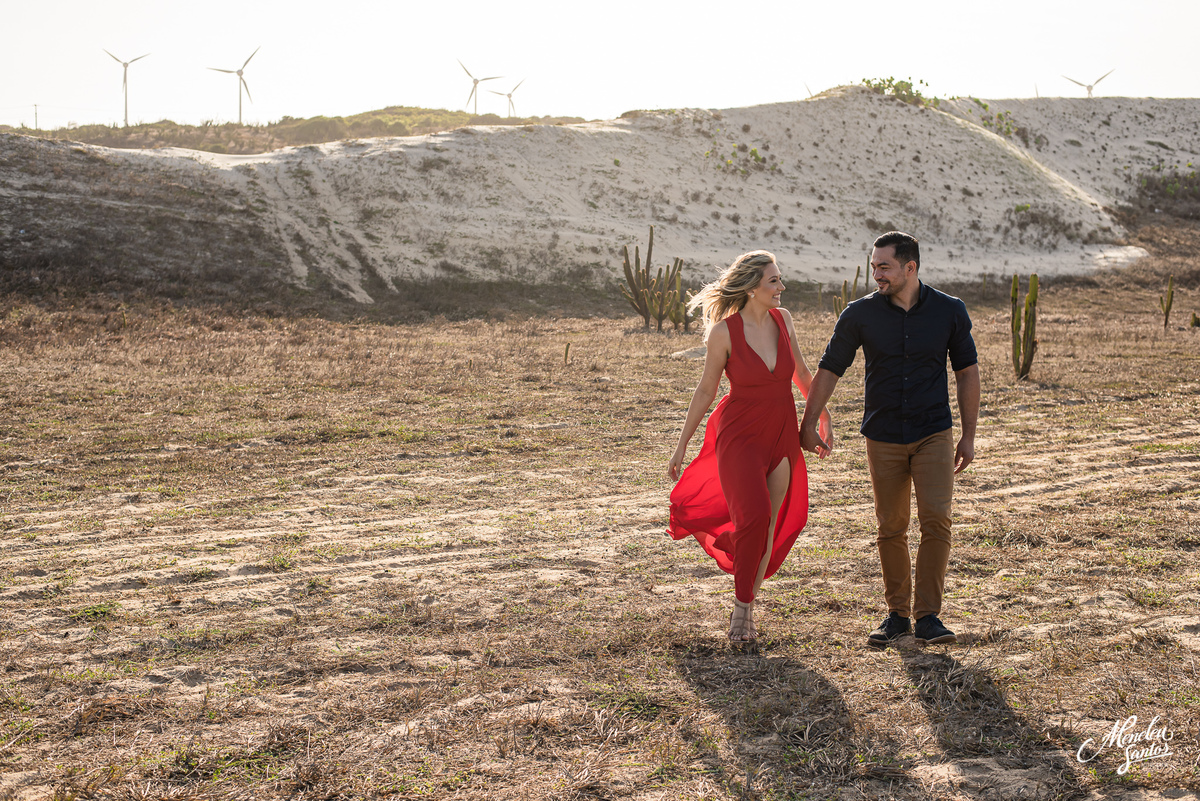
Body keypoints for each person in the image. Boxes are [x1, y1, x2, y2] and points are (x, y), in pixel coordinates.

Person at [799, 231, 979, 647]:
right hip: (882, 435)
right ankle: (897, 615)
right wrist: (807, 422)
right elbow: (830, 369)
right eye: (874, 265)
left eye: (884, 266)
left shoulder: (950, 311)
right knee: (891, 526)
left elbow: (967, 371)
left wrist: (969, 435)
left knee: (937, 521)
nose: (875, 273)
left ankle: (929, 617)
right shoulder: (859, 314)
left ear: (910, 268)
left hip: (934, 431)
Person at [668, 250, 832, 645]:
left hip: (781, 433)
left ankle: (747, 605)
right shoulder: (724, 333)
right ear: (752, 287)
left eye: (780, 279)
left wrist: (819, 416)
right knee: (754, 518)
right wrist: (681, 445)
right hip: (739, 435)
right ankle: (742, 611)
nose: (781, 287)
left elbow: (803, 373)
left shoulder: (783, 319)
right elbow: (707, 389)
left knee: (770, 525)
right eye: (773, 281)